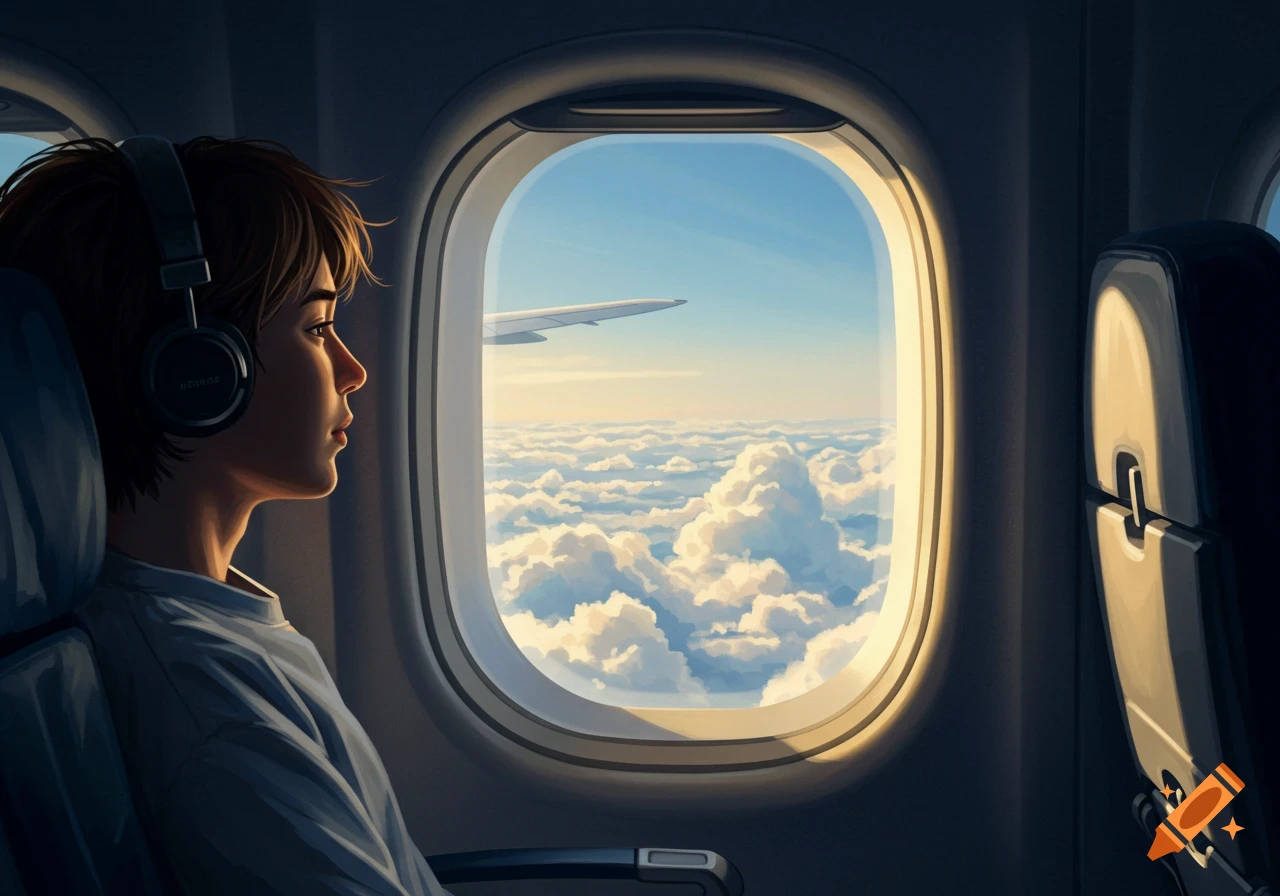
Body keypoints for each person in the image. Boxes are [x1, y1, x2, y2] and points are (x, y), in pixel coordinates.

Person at [0, 137, 449, 895]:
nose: (354, 369)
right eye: (316, 326)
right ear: (197, 371)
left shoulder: (196, 622)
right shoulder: (211, 709)